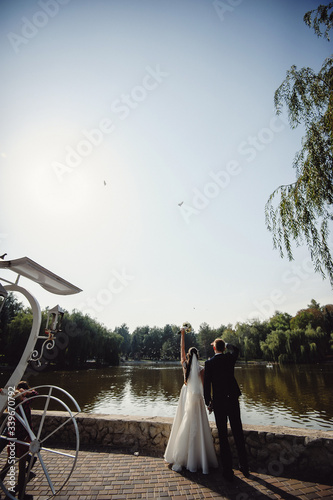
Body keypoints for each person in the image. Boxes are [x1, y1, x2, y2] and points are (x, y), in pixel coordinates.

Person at [164, 325, 218, 474]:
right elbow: (204, 387)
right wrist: (208, 401)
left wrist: (182, 334)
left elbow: (181, 351)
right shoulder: (201, 369)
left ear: (188, 356)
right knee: (198, 425)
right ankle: (198, 457)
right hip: (197, 398)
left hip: (185, 394)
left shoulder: (185, 365)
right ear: (198, 357)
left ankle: (183, 456)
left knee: (183, 420)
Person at [204, 338, 249, 482]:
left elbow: (206, 386)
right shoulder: (230, 358)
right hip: (232, 399)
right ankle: (244, 466)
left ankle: (228, 471)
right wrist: (227, 344)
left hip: (219, 402)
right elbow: (236, 350)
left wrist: (208, 402)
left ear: (214, 348)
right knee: (237, 431)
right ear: (224, 348)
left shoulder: (209, 363)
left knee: (222, 435)